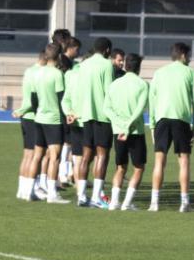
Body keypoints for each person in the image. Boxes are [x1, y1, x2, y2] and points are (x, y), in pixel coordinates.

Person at [148, 43, 194, 213]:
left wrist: (152, 123)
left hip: (162, 120)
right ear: (184, 55)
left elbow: (152, 99)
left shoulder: (159, 72)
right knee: (184, 161)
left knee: (159, 161)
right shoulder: (190, 73)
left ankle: (154, 202)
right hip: (181, 120)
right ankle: (184, 203)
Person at [24, 43, 69, 203]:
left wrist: (38, 113)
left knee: (37, 156)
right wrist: (66, 120)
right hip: (54, 120)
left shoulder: (37, 72)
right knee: (54, 157)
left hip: (39, 119)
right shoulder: (57, 74)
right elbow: (61, 99)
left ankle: (29, 191)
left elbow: (33, 98)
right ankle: (52, 194)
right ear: (58, 56)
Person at [72, 37, 115, 208]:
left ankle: (81, 196)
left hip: (86, 116)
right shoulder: (107, 65)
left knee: (86, 156)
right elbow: (109, 92)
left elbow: (78, 90)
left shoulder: (83, 65)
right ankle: (97, 196)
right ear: (107, 50)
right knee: (102, 155)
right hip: (102, 115)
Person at [103, 53, 148, 211]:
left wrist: (120, 124)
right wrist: (128, 126)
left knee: (120, 166)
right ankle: (127, 203)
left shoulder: (114, 84)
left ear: (125, 65)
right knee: (138, 167)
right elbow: (140, 109)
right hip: (135, 132)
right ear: (139, 67)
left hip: (118, 131)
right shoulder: (142, 85)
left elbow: (106, 108)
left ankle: (114, 202)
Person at [13, 51, 46, 200]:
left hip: (26, 118)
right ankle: (28, 191)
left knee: (27, 155)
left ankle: (22, 190)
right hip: (33, 116)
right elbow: (33, 99)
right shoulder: (40, 73)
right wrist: (22, 110)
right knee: (34, 156)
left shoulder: (28, 71)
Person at [61, 38, 85, 194]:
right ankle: (64, 175)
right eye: (77, 49)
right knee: (65, 144)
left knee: (68, 144)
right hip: (65, 107)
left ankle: (69, 174)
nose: (78, 53)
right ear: (72, 48)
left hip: (67, 107)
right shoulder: (65, 64)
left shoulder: (71, 64)